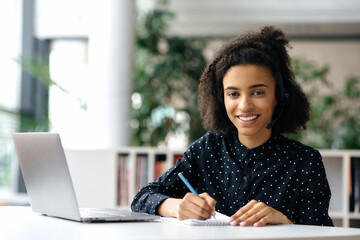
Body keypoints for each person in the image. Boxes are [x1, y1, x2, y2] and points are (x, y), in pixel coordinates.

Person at [131, 25, 334, 227]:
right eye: (233, 94)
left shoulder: (305, 162)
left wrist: (286, 223)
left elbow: (324, 234)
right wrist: (176, 207)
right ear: (221, 99)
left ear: (278, 97)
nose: (244, 105)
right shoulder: (206, 150)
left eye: (258, 92)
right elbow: (142, 198)